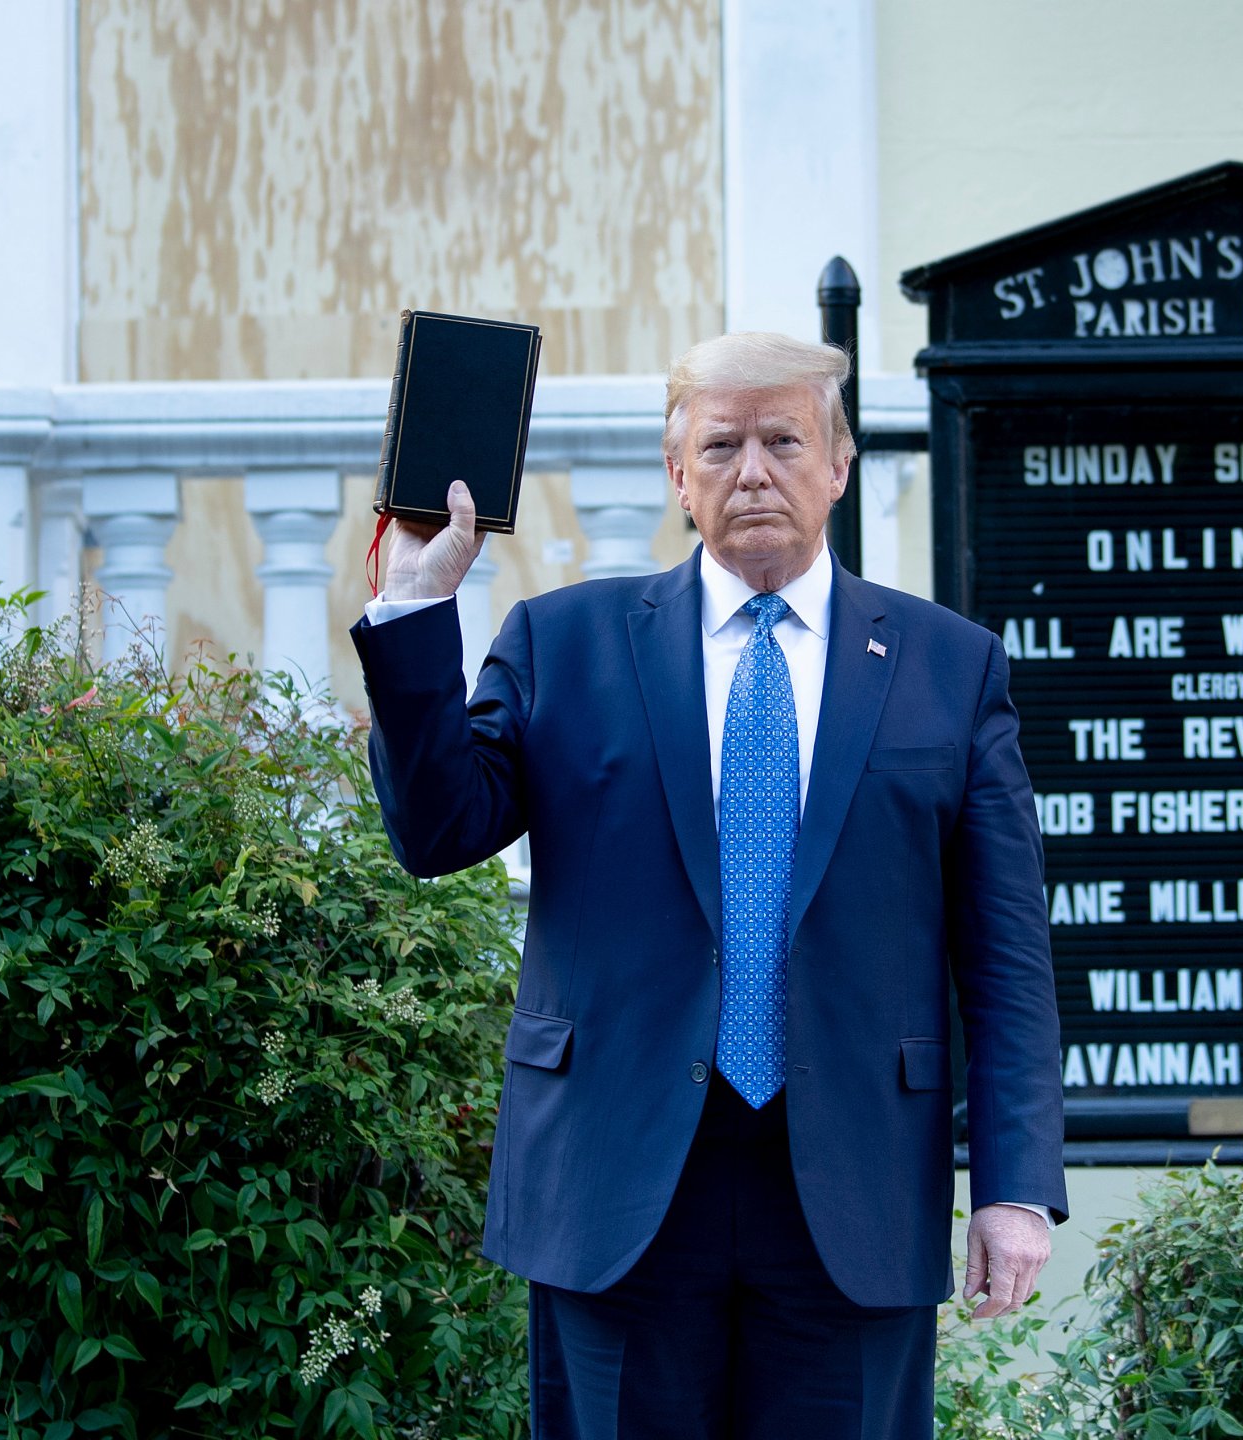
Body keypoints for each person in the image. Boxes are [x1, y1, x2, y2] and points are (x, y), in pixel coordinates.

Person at [351, 331, 1066, 1439]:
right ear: (678, 476)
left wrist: (1015, 1186)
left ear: (838, 464)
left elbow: (1006, 952)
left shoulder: (946, 665)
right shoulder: (563, 643)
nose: (753, 471)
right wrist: (414, 611)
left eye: (783, 440)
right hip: (616, 1180)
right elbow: (440, 829)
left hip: (855, 1184)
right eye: (721, 445)